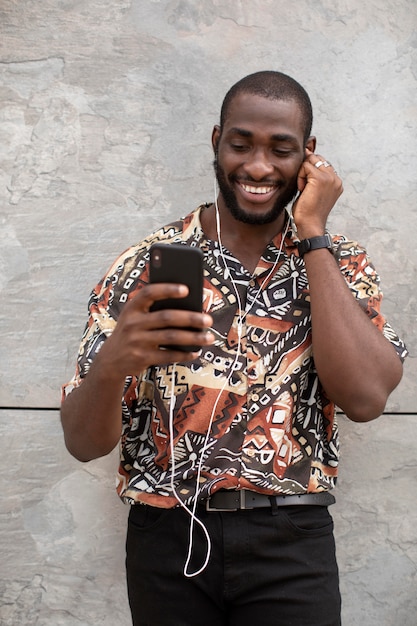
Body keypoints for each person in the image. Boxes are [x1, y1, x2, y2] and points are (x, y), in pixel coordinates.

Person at [61, 70, 407, 626]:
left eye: (281, 148)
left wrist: (313, 232)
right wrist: (112, 366)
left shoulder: (339, 263)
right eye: (241, 144)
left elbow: (366, 399)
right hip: (165, 540)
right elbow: (82, 443)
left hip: (291, 538)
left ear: (310, 156)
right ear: (216, 140)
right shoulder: (145, 264)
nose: (258, 166)